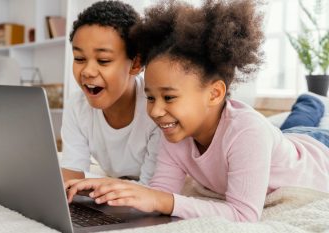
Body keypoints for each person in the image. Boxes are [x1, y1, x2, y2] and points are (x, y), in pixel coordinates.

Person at [65, 0, 329, 222]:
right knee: (286, 130)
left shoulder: (248, 132)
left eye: (169, 97)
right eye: (150, 97)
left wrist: (163, 200)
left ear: (214, 93)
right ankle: (309, 105)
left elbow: (243, 215)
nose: (156, 111)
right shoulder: (175, 131)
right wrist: (115, 189)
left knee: (300, 127)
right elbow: (158, 194)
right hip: (282, 142)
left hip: (316, 152)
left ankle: (312, 101)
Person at [60, 0, 160, 185]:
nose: (87, 71)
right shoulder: (77, 106)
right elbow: (71, 178)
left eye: (103, 60)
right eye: (79, 58)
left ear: (136, 64)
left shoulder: (156, 108)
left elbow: (152, 190)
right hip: (119, 182)